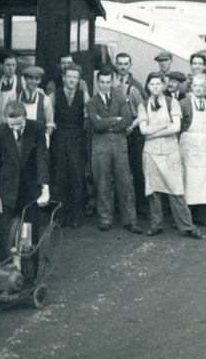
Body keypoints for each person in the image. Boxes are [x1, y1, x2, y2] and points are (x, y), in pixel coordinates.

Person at [140, 73, 202, 239]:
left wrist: (153, 132)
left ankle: (187, 226)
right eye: (151, 84)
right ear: (148, 86)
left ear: (163, 85)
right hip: (151, 152)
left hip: (170, 151)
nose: (155, 87)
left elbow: (176, 127)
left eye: (158, 84)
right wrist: (163, 127)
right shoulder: (143, 105)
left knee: (176, 189)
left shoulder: (172, 102)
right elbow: (142, 130)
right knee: (153, 190)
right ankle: (156, 225)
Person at [0, 100, 50, 263]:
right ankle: (5, 274)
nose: (16, 128)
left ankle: (29, 278)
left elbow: (42, 159)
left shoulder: (36, 128)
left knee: (28, 238)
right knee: (5, 236)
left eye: (20, 124)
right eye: (12, 125)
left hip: (29, 192)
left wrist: (44, 188)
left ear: (25, 117)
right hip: (7, 191)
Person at [86, 66, 142, 234]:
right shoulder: (91, 102)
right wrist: (114, 120)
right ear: (97, 83)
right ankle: (105, 217)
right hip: (100, 146)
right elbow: (96, 124)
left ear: (112, 82)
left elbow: (127, 120)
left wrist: (107, 123)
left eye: (108, 82)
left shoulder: (121, 98)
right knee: (102, 182)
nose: (105, 85)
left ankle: (130, 220)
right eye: (102, 82)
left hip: (119, 144)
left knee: (125, 182)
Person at [48, 63, 87, 228]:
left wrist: (81, 137)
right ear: (64, 78)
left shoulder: (83, 95)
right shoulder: (54, 95)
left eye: (75, 77)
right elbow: (49, 118)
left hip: (77, 138)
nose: (72, 80)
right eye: (69, 76)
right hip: (59, 139)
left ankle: (76, 216)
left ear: (79, 79)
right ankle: (60, 215)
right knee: (60, 177)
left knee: (77, 177)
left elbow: (86, 119)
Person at [180, 73, 206, 227]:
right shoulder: (184, 103)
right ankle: (185, 219)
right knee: (187, 183)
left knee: (203, 184)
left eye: (202, 86)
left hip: (204, 148)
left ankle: (201, 217)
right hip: (189, 148)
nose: (199, 89)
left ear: (205, 87)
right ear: (191, 86)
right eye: (196, 86)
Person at [115, 54, 147, 217]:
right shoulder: (112, 83)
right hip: (118, 130)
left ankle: (141, 205)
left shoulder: (136, 86)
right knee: (120, 171)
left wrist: (133, 126)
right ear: (116, 64)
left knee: (138, 170)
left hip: (134, 132)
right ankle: (121, 207)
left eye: (126, 64)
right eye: (120, 64)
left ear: (130, 65)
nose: (122, 67)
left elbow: (144, 109)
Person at [19, 66, 55, 147]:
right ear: (25, 79)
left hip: (38, 143)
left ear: (40, 80)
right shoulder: (17, 97)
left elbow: (50, 125)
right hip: (21, 142)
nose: (33, 81)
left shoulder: (45, 100)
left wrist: (45, 137)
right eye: (30, 78)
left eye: (37, 79)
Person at [0, 51, 21, 127]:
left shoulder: (22, 82)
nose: (11, 68)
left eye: (13, 65)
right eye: (8, 65)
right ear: (1, 66)